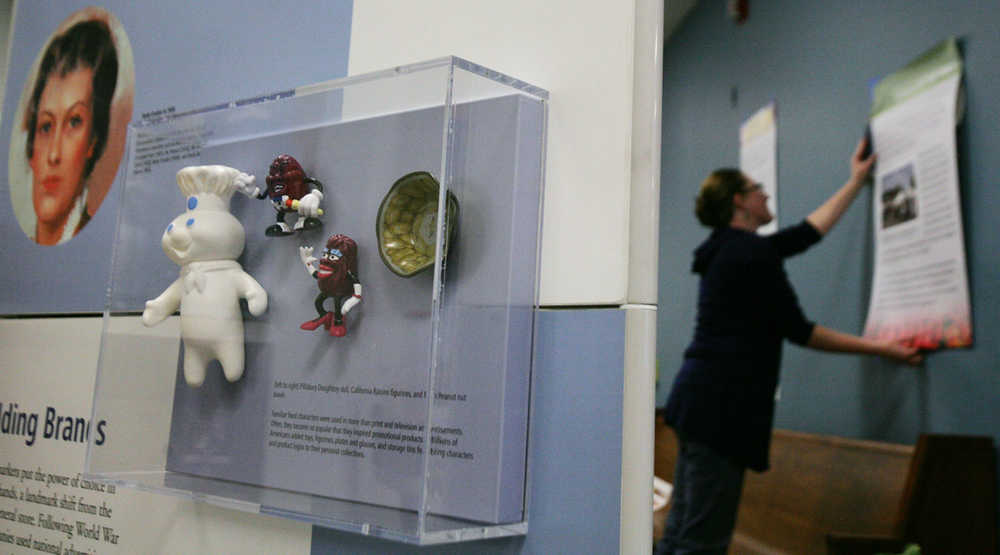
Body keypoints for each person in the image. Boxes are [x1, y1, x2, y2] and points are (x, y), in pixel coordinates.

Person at [655, 138, 923, 555]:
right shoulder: (748, 255)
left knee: (681, 535)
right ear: (741, 202)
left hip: (697, 406)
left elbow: (806, 234)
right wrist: (883, 348)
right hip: (721, 412)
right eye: (756, 187)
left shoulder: (731, 250)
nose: (764, 192)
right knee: (701, 544)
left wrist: (855, 182)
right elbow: (801, 331)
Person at [24, 19, 118, 245]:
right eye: (46, 126)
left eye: (74, 122)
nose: (53, 154)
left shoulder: (100, 243)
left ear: (93, 141)